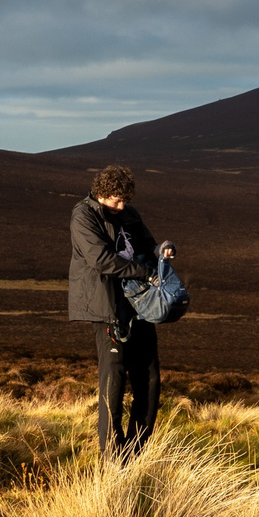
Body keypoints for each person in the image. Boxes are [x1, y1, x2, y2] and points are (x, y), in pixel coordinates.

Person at [68, 165, 167, 459]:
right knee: (114, 379)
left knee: (149, 378)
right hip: (107, 306)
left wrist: (163, 250)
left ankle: (135, 453)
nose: (121, 206)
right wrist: (145, 274)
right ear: (101, 193)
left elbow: (149, 246)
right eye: (116, 200)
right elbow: (101, 259)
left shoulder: (130, 214)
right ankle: (111, 455)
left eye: (126, 200)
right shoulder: (83, 215)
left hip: (139, 306)